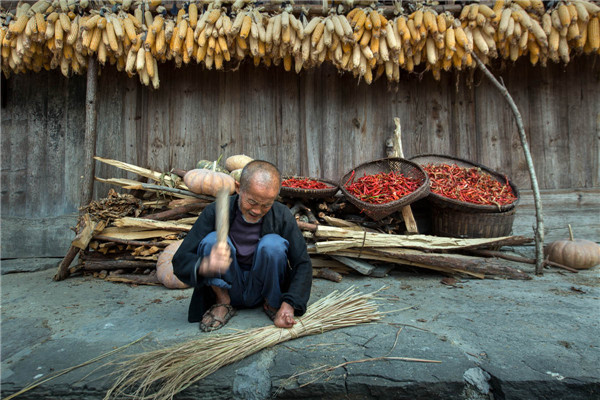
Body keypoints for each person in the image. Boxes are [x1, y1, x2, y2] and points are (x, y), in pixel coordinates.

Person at [172, 160, 312, 331]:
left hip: (263, 289)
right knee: (213, 240)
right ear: (238, 188)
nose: (257, 211)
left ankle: (272, 303)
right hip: (228, 286)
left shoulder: (281, 215)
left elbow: (302, 263)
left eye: (266, 205)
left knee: (273, 245)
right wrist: (205, 265)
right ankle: (222, 303)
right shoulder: (214, 211)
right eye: (252, 202)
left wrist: (289, 303)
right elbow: (180, 260)